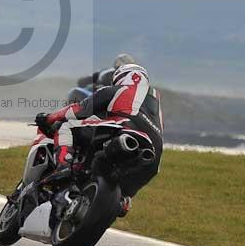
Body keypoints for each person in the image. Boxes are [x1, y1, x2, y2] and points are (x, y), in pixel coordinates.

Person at [35, 62, 163, 216]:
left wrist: (50, 117)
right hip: (153, 154)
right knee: (127, 190)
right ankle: (124, 199)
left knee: (66, 127)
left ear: (121, 77)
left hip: (122, 127)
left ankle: (63, 166)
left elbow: (79, 110)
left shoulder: (116, 89)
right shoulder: (156, 108)